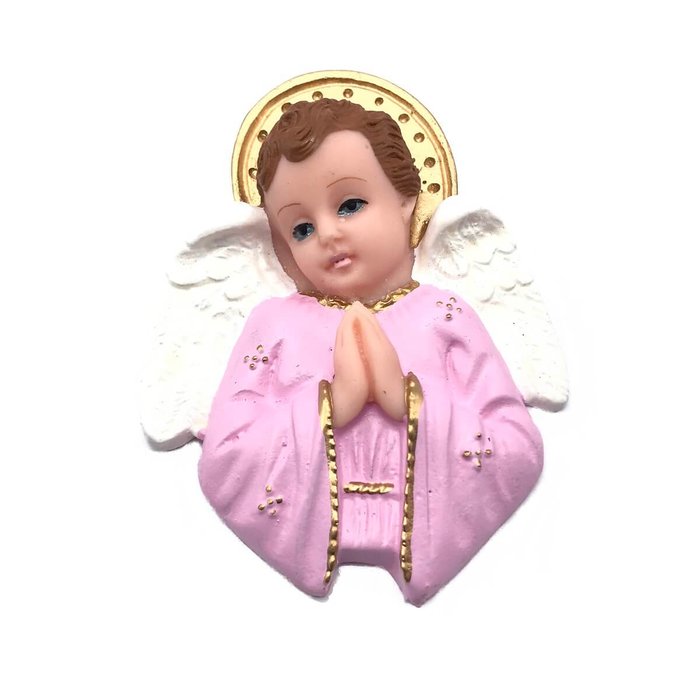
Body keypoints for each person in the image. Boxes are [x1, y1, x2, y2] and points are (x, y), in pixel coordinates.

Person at [198, 99, 543, 606]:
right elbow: (226, 454)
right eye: (301, 229)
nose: (328, 233)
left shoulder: (444, 316)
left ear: (406, 199)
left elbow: (516, 446)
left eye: (350, 205)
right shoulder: (276, 325)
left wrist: (406, 401)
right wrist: (333, 405)